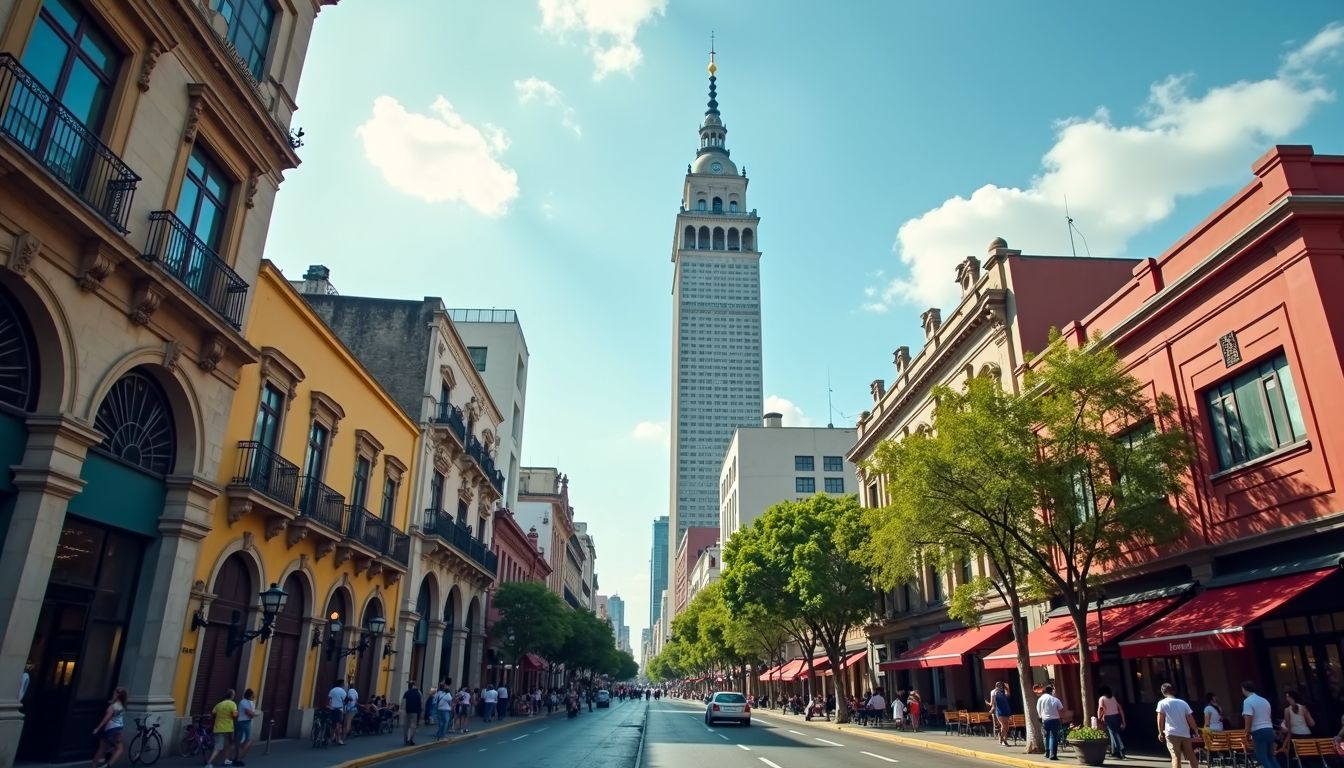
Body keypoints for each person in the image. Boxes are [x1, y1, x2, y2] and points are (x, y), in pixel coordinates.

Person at [1156, 683, 1199, 768]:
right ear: (1173, 691)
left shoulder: (1162, 703)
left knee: (1176, 757)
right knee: (1191, 756)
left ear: (1163, 692)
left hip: (1172, 733)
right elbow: (1190, 718)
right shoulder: (1183, 703)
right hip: (1185, 733)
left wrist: (1160, 732)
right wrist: (1196, 730)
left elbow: (1160, 719)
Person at [1242, 680, 1279, 768]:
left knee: (1262, 757)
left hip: (1259, 731)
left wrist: (1247, 732)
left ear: (1244, 689)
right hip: (1270, 730)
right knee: (1271, 757)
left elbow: (1248, 717)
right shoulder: (1264, 700)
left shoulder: (1247, 701)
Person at [91, 687, 128, 768]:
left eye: (114, 693)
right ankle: (108, 764)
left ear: (117, 695)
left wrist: (98, 728)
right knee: (119, 748)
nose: (113, 694)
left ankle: (95, 765)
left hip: (110, 729)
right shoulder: (122, 705)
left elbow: (106, 718)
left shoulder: (113, 706)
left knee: (102, 748)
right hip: (116, 730)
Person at [207, 689, 238, 767]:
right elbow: (234, 716)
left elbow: (212, 715)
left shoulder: (219, 705)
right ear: (232, 696)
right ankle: (210, 763)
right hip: (228, 728)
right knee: (228, 745)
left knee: (218, 746)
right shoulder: (232, 704)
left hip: (218, 728)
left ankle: (224, 761)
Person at [1036, 684, 1065, 761]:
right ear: (1052, 691)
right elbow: (1061, 709)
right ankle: (1053, 754)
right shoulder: (1055, 699)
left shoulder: (1040, 699)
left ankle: (1047, 753)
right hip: (1055, 719)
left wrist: (1041, 717)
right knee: (1054, 737)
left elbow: (1038, 710)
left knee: (1046, 736)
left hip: (1045, 719)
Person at [1098, 685, 1127, 759]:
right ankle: (1114, 752)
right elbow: (1119, 708)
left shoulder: (1102, 698)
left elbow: (1101, 708)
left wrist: (1099, 717)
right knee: (1113, 733)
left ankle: (1121, 749)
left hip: (1109, 717)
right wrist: (1123, 721)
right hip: (1116, 716)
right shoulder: (1113, 698)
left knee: (1114, 734)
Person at [234, 689, 257, 766]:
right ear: (250, 695)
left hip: (246, 722)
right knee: (247, 741)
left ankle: (238, 757)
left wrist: (253, 714)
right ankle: (238, 758)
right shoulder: (244, 702)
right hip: (243, 723)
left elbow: (251, 713)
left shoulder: (249, 702)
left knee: (245, 741)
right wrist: (255, 714)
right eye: (253, 694)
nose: (254, 696)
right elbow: (249, 713)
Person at [990, 681, 1013, 746]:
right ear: (996, 686)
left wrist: (1006, 688)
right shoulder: (993, 692)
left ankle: (1003, 738)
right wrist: (992, 708)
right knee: (1003, 725)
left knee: (1007, 726)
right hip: (999, 710)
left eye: (1001, 685)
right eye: (998, 685)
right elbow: (992, 702)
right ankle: (1003, 740)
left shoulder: (1004, 691)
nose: (1000, 687)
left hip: (1006, 709)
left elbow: (1008, 695)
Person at [327, 680, 347, 746]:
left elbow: (329, 698)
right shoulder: (342, 691)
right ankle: (339, 739)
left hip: (332, 709)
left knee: (333, 724)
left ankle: (331, 737)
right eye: (344, 684)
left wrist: (330, 705)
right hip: (339, 709)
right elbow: (345, 701)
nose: (344, 685)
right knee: (338, 725)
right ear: (341, 684)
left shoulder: (332, 690)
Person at [401, 681, 422, 745]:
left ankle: (406, 740)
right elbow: (421, 702)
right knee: (413, 726)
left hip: (407, 711)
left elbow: (403, 702)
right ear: (414, 686)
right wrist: (421, 711)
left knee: (406, 726)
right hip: (415, 712)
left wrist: (403, 710)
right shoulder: (418, 693)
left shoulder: (406, 693)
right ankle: (410, 739)